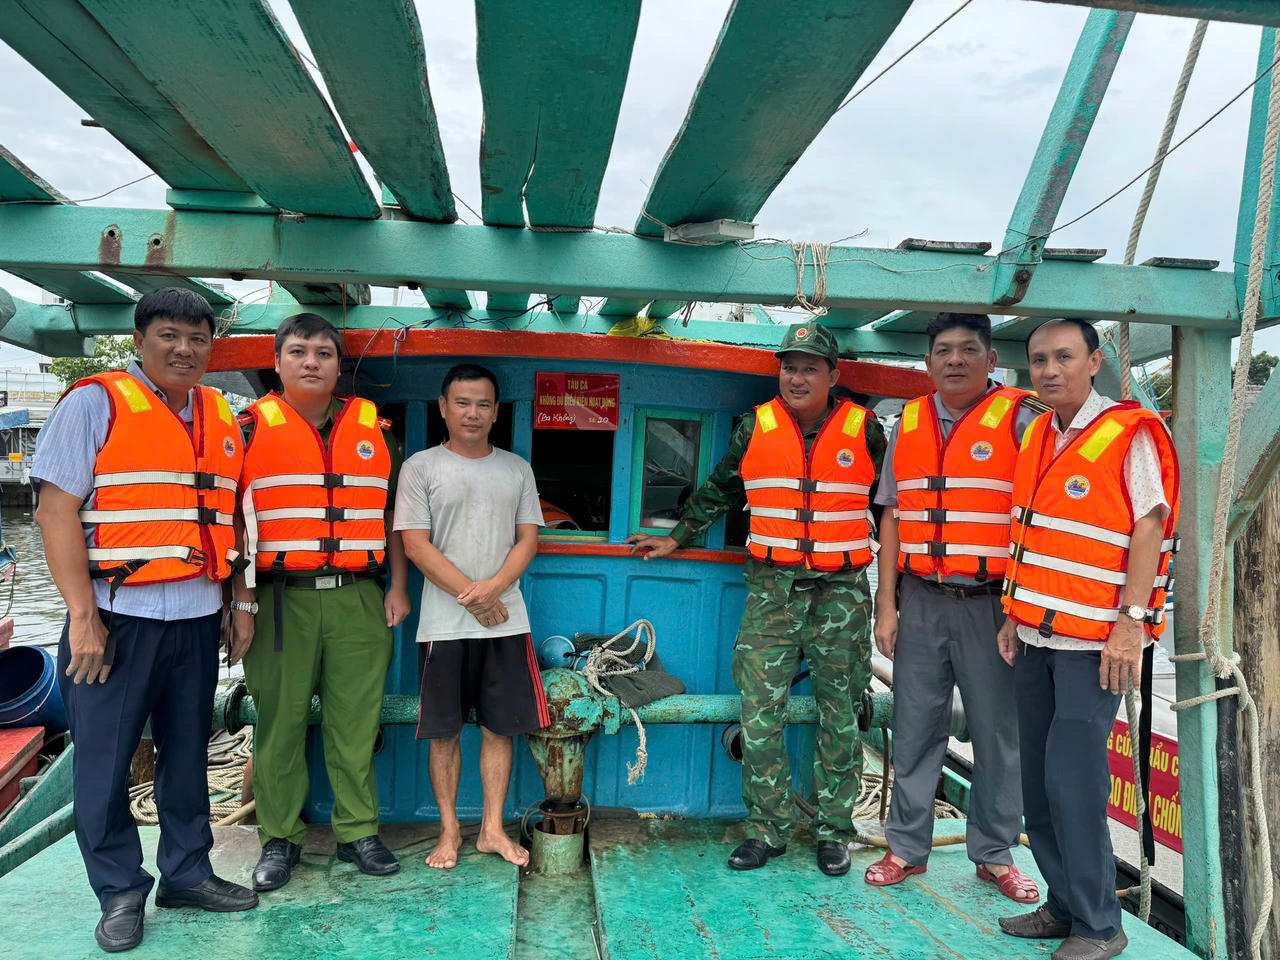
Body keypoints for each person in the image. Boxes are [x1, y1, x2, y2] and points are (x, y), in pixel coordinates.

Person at [33, 288, 258, 953]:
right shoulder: (93, 403)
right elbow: (54, 512)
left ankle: (187, 872)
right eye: (169, 335)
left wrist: (238, 602)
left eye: (197, 338)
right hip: (114, 616)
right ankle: (120, 890)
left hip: (196, 619)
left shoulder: (221, 413)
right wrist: (82, 616)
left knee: (187, 756)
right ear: (139, 340)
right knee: (103, 766)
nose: (184, 350)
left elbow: (233, 516)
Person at [628, 323, 883, 877]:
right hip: (772, 592)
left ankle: (834, 833)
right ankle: (768, 830)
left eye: (810, 367)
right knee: (760, 715)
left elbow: (891, 506)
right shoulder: (754, 428)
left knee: (841, 716)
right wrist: (677, 537)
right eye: (789, 366)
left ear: (833, 376)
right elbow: (721, 488)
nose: (796, 376)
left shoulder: (868, 430)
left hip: (842, 592)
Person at [996, 318, 1178, 960]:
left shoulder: (1127, 435)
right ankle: (1064, 904)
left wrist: (1130, 625)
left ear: (1095, 361)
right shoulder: (1039, 434)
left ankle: (1101, 926)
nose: (1049, 370)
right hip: (1037, 639)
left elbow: (1149, 528)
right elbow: (1035, 539)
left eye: (1064, 357)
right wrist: (1015, 617)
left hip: (1095, 649)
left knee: (1074, 786)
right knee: (1038, 788)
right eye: (1039, 359)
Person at [866, 313, 1045, 903]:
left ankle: (995, 854)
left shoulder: (1025, 421)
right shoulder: (908, 422)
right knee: (916, 725)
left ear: (992, 360)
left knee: (999, 733)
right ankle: (906, 849)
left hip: (993, 605)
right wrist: (885, 604)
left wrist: (1021, 609)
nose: (955, 360)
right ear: (927, 363)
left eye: (970, 350)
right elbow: (892, 517)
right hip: (919, 599)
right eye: (943, 350)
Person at [230, 313, 411, 891]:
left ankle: (358, 832)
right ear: (278, 362)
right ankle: (279, 838)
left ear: (340, 364)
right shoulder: (248, 430)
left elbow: (394, 519)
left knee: (355, 724)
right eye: (300, 351)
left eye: (325, 353)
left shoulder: (377, 429)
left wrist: (399, 587)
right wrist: (241, 602)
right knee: (278, 723)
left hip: (360, 597)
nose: (312, 362)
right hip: (280, 601)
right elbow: (231, 523)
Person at [395, 363, 549, 870]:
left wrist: (495, 590)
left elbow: (528, 538)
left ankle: (490, 830)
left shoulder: (516, 468)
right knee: (444, 733)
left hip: (508, 621)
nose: (472, 413)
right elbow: (415, 545)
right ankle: (448, 833)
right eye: (462, 402)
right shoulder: (420, 467)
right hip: (444, 625)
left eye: (483, 404)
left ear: (496, 412)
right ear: (443, 407)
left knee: (499, 730)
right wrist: (474, 596)